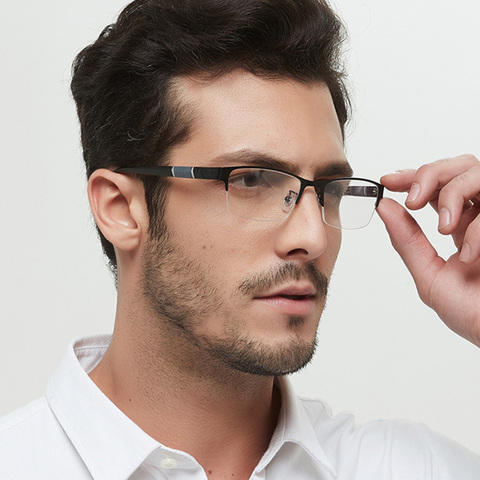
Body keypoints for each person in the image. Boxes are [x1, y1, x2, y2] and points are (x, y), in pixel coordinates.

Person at [1, 0, 479, 478]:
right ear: (121, 209)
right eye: (251, 181)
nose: (313, 237)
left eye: (327, 190)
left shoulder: (413, 468)